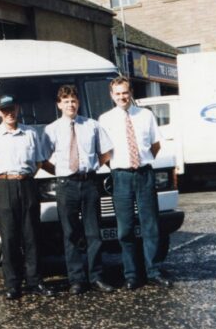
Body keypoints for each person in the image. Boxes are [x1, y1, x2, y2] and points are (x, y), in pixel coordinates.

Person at [98, 76, 172, 289]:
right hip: (120, 177)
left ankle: (154, 270)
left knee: (151, 225)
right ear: (112, 96)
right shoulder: (105, 119)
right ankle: (131, 275)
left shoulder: (146, 115)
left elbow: (155, 145)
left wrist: (142, 162)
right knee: (125, 228)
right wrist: (117, 166)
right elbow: (104, 151)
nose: (122, 96)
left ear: (131, 93)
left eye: (125, 92)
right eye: (118, 93)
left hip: (144, 174)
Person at [42, 85, 115, 295]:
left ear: (78, 103)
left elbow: (107, 152)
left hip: (89, 183)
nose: (70, 104)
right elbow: (42, 159)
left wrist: (93, 168)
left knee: (93, 232)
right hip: (66, 185)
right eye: (66, 101)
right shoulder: (51, 129)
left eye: (73, 100)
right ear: (59, 105)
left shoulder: (91, 125)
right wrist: (59, 171)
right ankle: (77, 279)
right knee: (71, 233)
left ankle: (97, 277)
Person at [0, 94, 56, 300]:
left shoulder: (31, 133)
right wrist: (6, 180)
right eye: (5, 110)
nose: (10, 113)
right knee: (9, 237)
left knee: (31, 235)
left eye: (12, 109)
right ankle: (12, 284)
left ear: (17, 109)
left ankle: (35, 282)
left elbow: (40, 161)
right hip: (5, 185)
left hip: (27, 184)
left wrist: (25, 176)